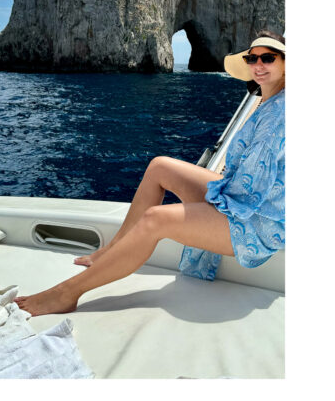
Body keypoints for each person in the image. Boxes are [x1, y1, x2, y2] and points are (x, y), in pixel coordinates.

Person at [16, 32, 286, 316]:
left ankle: (66, 293)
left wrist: (205, 202)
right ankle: (112, 250)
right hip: (240, 197)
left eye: (268, 58)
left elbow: (252, 185)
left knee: (156, 219)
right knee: (160, 166)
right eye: (252, 58)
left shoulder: (281, 112)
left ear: (286, 64)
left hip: (254, 222)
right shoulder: (266, 102)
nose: (258, 64)